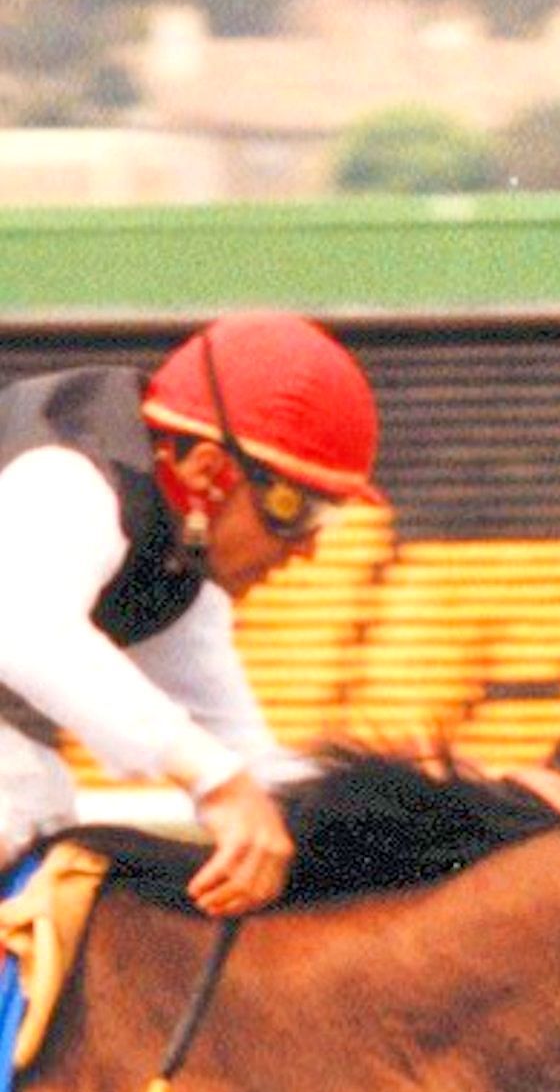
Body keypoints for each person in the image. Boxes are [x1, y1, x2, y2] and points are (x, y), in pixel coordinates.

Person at [0, 310, 381, 917]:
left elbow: (252, 763)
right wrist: (218, 782)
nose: (309, 548)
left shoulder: (176, 582)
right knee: (19, 790)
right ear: (208, 471)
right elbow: (24, 631)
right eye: (298, 512)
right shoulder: (73, 479)